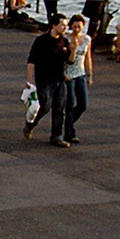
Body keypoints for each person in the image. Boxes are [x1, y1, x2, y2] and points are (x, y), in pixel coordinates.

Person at [24, 15, 70, 146]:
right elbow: (31, 60)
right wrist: (29, 80)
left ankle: (57, 136)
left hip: (59, 79)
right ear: (54, 26)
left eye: (66, 25)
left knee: (60, 108)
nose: (65, 28)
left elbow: (69, 61)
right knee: (45, 105)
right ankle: (31, 124)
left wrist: (74, 48)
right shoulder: (41, 41)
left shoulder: (64, 41)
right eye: (63, 25)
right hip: (44, 79)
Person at [64, 14, 94, 144]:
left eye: (79, 27)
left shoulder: (86, 39)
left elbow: (87, 57)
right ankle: (70, 132)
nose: (76, 29)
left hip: (80, 73)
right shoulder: (65, 39)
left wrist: (90, 74)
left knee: (82, 104)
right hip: (68, 74)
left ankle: (67, 123)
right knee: (70, 104)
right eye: (74, 27)